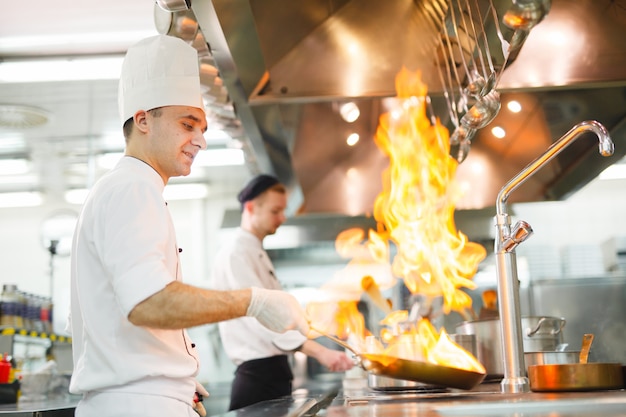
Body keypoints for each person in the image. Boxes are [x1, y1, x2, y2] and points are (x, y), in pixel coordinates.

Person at [67, 35, 309, 417]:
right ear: (144, 120)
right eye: (187, 124)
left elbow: (123, 311)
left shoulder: (134, 188)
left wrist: (173, 380)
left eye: (203, 129)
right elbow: (148, 302)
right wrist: (254, 301)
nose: (200, 140)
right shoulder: (132, 188)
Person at [211, 174, 354, 411]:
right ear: (250, 207)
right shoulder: (236, 254)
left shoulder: (254, 251)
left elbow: (281, 316)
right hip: (257, 379)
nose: (282, 217)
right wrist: (321, 353)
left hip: (273, 374)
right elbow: (266, 320)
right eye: (275, 211)